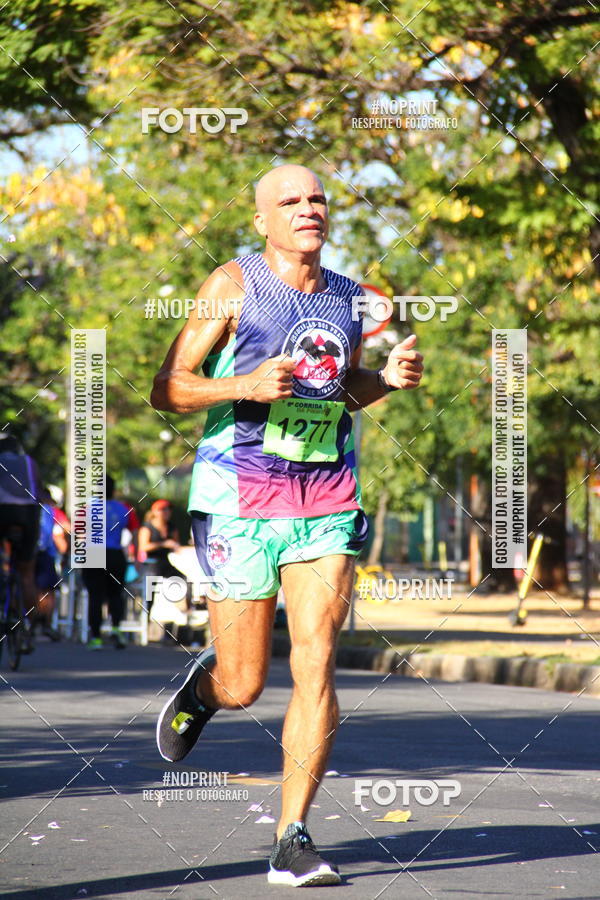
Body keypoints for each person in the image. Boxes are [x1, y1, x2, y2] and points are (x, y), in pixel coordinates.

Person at [151, 164, 423, 887]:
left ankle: (292, 835)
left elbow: (344, 386)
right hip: (240, 499)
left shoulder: (350, 298)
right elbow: (168, 387)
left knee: (316, 660)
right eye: (291, 201)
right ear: (262, 221)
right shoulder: (231, 286)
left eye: (317, 199)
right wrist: (241, 383)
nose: (309, 210)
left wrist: (386, 382)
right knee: (246, 683)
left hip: (325, 500)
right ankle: (204, 692)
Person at [82, 474, 140, 649]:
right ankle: (116, 630)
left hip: (94, 554)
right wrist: (136, 556)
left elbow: (80, 534)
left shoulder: (88, 508)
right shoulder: (125, 508)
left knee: (95, 596)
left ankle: (96, 638)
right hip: (116, 555)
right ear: (113, 490)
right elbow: (136, 533)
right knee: (116, 594)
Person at [0, 432, 42, 653]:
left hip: (3, 511)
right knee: (27, 573)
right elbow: (39, 492)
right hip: (28, 513)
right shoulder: (29, 461)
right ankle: (28, 631)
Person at [33, 487, 67, 641]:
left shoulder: (28, 507)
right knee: (48, 590)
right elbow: (63, 537)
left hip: (27, 551)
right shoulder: (52, 511)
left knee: (27, 584)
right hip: (46, 554)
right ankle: (45, 623)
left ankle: (26, 622)